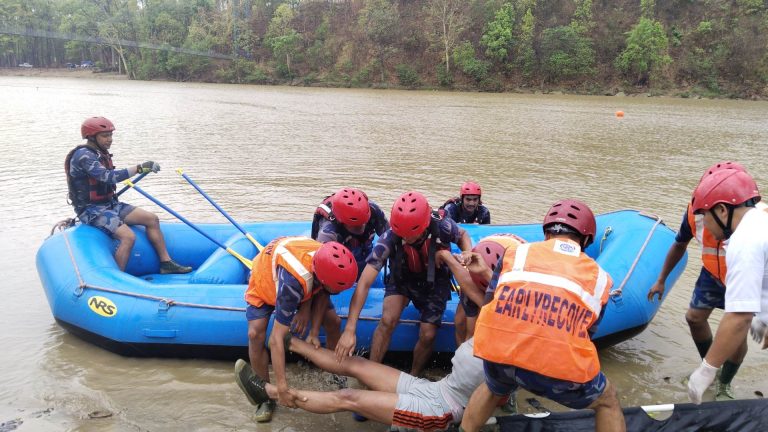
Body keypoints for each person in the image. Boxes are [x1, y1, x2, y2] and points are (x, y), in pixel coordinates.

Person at [461, 199, 626, 432]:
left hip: (500, 355)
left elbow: (491, 302)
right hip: (555, 366)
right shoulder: (600, 278)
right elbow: (587, 333)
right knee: (608, 399)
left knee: (494, 385)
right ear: (587, 239)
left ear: (546, 232)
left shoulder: (515, 254)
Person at [335, 191, 472, 377]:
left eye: (410, 236)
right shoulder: (390, 238)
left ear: (423, 227)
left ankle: (414, 376)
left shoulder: (442, 225)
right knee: (387, 320)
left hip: (435, 280)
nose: (405, 239)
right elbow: (365, 282)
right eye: (402, 235)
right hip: (403, 277)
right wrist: (350, 330)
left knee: (428, 333)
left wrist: (467, 253)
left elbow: (463, 234)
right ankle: (371, 372)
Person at [235, 334, 489, 431]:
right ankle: (288, 340)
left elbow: (493, 398)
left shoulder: (511, 356)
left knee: (349, 397)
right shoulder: (493, 318)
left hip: (442, 411)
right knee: (358, 364)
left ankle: (267, 393)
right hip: (436, 388)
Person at [647, 161, 750, 401]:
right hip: (711, 275)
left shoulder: (755, 221)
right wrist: (661, 279)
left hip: (741, 276)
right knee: (694, 318)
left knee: (738, 333)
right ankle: (710, 369)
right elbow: (679, 244)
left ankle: (725, 383)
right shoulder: (695, 212)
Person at [244, 237, 358, 422]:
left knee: (333, 321)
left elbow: (323, 291)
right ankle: (263, 395)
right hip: (265, 278)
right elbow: (275, 339)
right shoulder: (292, 284)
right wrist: (282, 388)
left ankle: (335, 375)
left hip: (298, 273)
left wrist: (312, 327)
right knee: (255, 333)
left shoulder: (326, 255)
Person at [65, 116, 191, 274]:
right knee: (128, 237)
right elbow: (109, 177)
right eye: (105, 136)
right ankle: (117, 278)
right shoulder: (84, 155)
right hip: (91, 210)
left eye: (111, 135)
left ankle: (166, 264)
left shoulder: (100, 153)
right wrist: (139, 168)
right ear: (91, 137)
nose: (109, 139)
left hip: (110, 204)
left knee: (152, 219)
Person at [686, 168, 768, 405]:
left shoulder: (745, 240)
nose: (704, 227)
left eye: (704, 217)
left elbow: (738, 318)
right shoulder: (760, 221)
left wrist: (706, 370)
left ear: (722, 210)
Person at [311, 187, 389, 350]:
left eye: (363, 223)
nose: (361, 227)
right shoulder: (328, 234)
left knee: (365, 269)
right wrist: (314, 330)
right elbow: (322, 281)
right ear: (342, 221)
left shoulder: (373, 211)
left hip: (362, 249)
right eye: (355, 226)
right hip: (338, 252)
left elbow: (390, 237)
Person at [441, 181, 492, 348]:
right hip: (459, 251)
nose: (471, 203)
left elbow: (485, 233)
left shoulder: (484, 213)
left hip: (470, 255)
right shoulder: (451, 210)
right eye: (468, 199)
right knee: (459, 321)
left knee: (466, 323)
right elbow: (449, 232)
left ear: (479, 200)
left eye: (475, 199)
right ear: (462, 199)